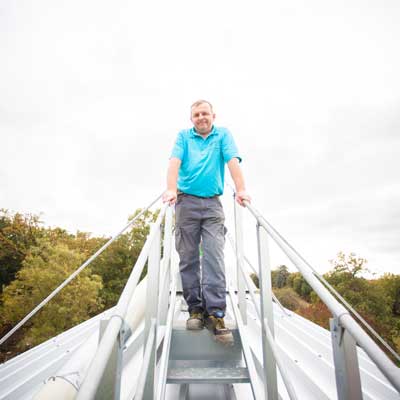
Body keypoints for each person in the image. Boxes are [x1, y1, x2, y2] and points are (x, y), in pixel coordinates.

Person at [162, 100, 250, 345]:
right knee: (188, 257)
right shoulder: (184, 137)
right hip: (185, 202)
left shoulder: (222, 135)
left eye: (205, 113)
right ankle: (195, 310)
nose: (201, 117)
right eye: (196, 115)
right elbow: (174, 163)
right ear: (191, 119)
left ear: (213, 115)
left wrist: (241, 189)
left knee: (214, 256)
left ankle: (215, 314)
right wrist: (171, 189)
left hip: (212, 204)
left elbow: (232, 161)